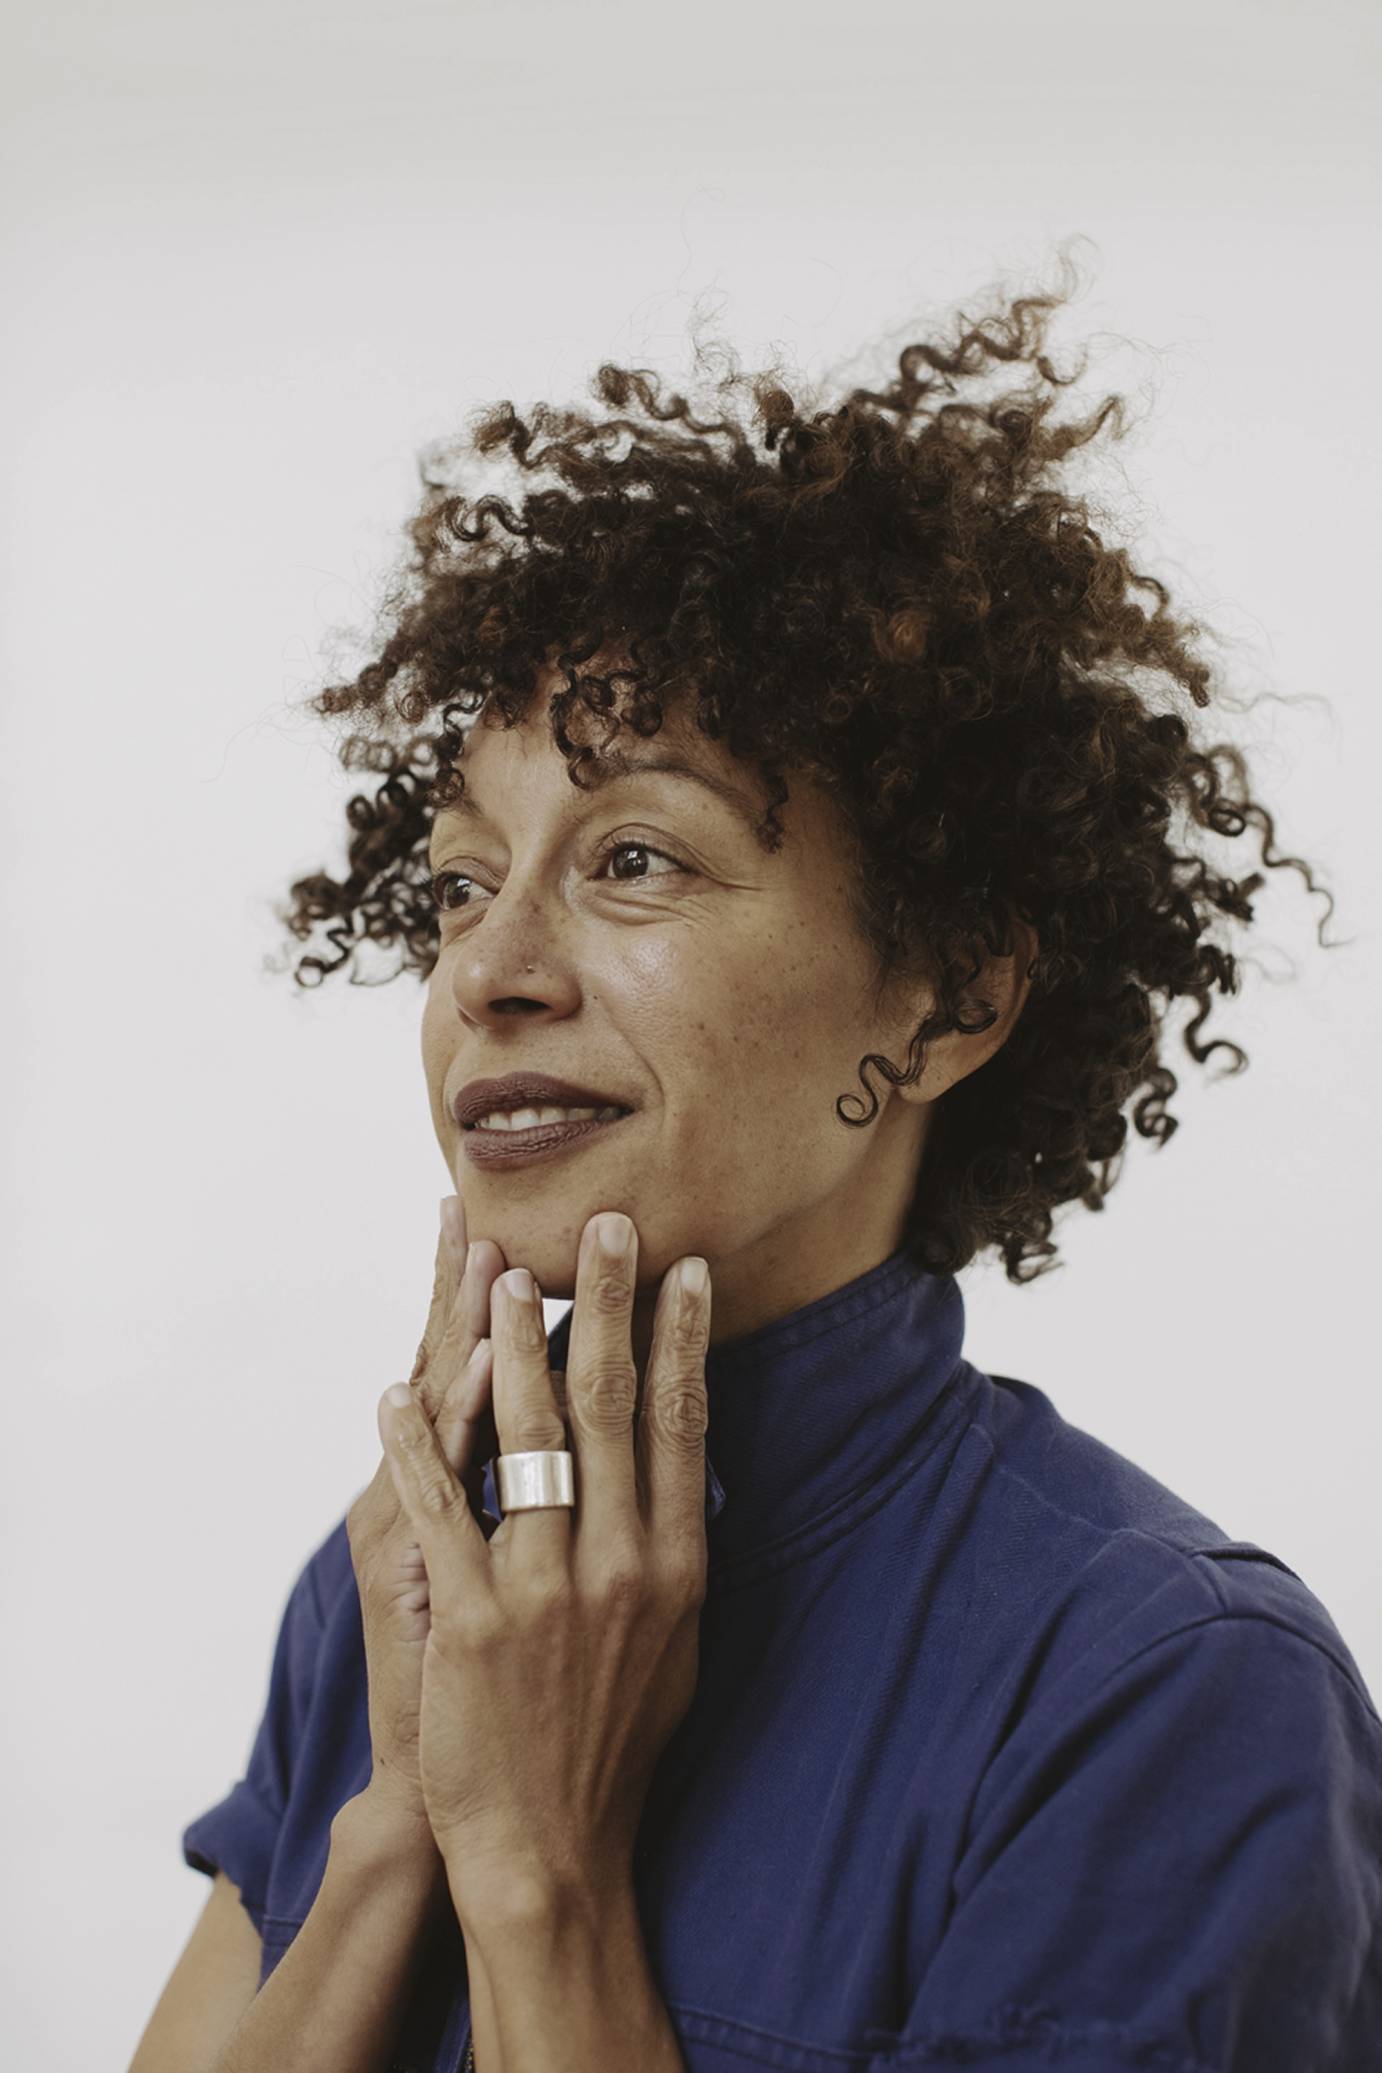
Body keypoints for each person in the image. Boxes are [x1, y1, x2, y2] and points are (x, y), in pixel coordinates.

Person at [128, 267, 1381, 2072]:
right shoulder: (395, 1585)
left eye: (635, 859)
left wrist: (545, 1871)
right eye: (464, 880)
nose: (491, 969)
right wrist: (399, 1821)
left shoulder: (1166, 1702)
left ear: (950, 992)